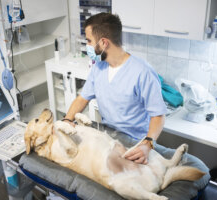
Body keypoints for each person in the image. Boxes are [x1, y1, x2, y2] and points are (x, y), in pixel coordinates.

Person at [63, 13, 167, 164]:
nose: (87, 46)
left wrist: (148, 144)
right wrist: (67, 119)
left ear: (103, 42)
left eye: (89, 41)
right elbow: (82, 98)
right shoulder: (98, 67)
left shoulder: (142, 72)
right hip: (108, 137)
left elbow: (158, 115)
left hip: (135, 143)